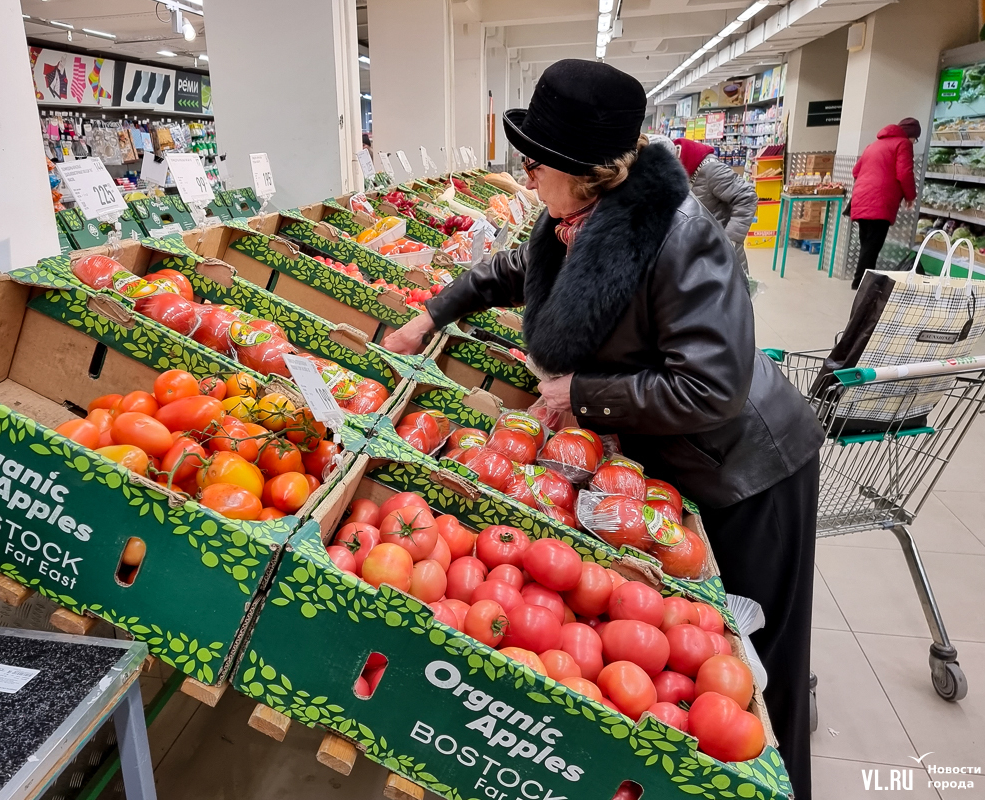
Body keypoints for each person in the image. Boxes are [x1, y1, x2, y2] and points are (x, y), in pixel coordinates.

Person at [383, 59, 824, 799]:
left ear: (588, 172)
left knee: (754, 665)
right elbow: (517, 267)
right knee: (715, 658)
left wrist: (582, 395)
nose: (525, 173)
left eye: (538, 160)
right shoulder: (577, 221)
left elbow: (711, 385)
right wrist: (432, 311)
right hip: (682, 452)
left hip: (748, 467)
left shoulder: (683, 240)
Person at [673, 137, 759, 282]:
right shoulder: (680, 173)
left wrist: (730, 239)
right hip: (702, 254)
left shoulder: (710, 169)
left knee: (731, 300)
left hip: (723, 253)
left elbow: (747, 197)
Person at [848, 117, 920, 288]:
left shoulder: (873, 145)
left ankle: (862, 280)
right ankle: (860, 283)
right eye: (915, 139)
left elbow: (855, 171)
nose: (914, 142)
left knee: (867, 243)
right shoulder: (903, 144)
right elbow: (904, 173)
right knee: (873, 245)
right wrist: (910, 196)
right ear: (910, 135)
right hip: (880, 201)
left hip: (860, 198)